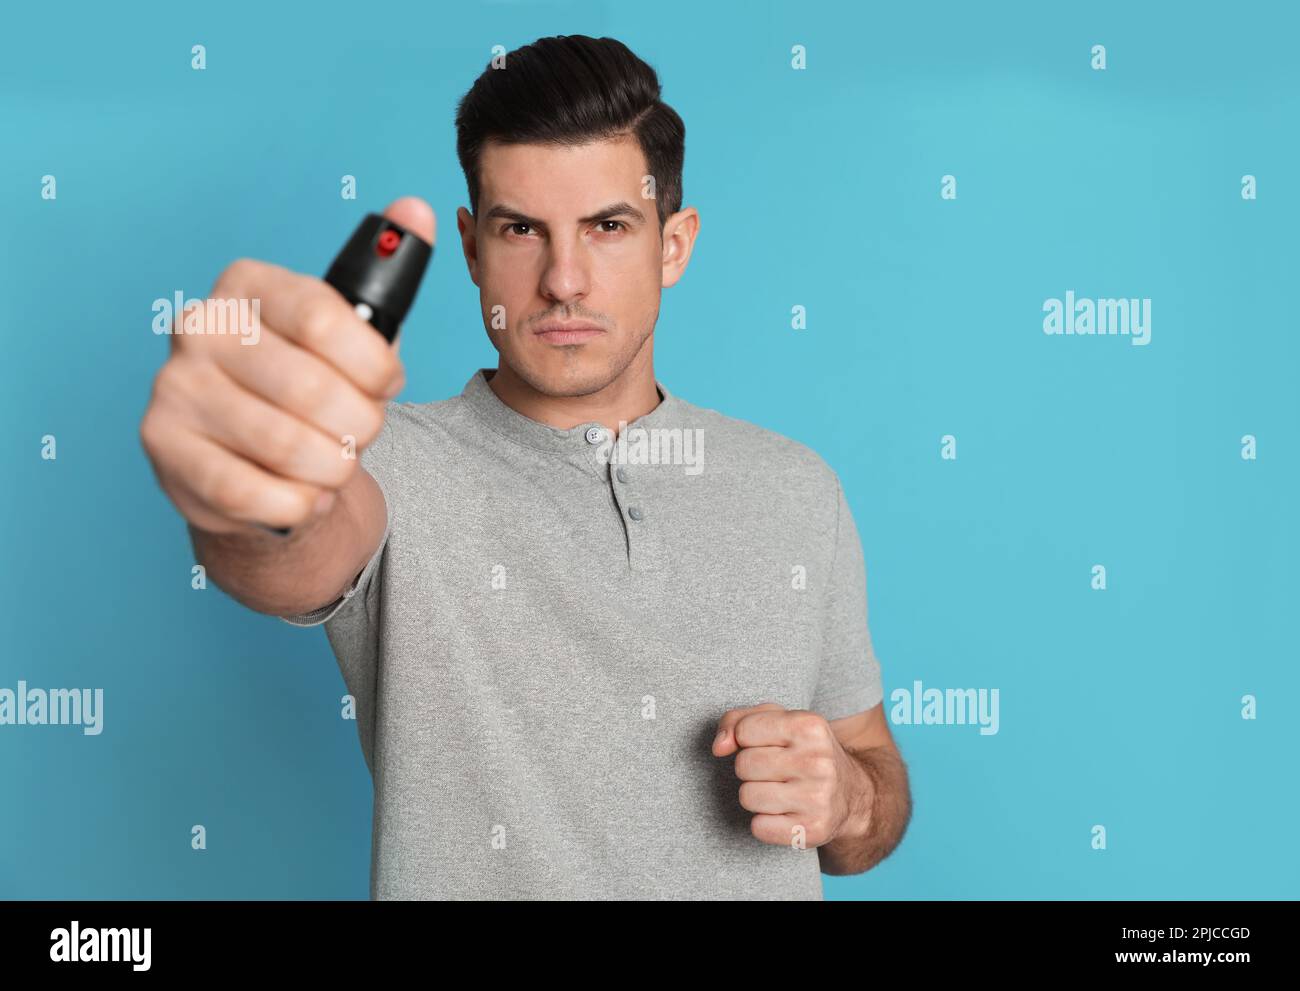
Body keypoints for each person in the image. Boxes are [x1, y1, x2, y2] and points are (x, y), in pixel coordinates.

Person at [139, 34, 911, 900]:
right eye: (521, 230)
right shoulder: (383, 462)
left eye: (609, 227)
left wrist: (849, 799)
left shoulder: (797, 488)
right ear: (470, 248)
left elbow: (873, 773)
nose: (564, 281)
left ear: (674, 244)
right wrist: (246, 486)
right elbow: (293, 541)